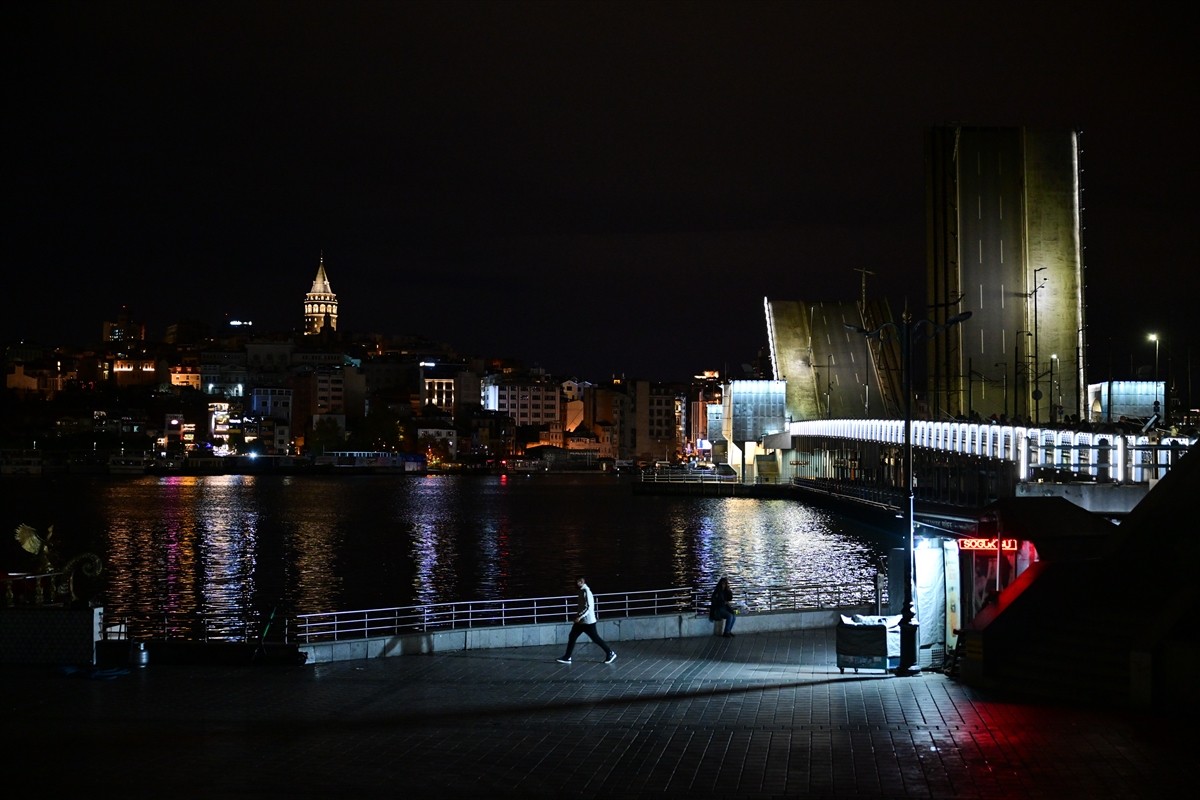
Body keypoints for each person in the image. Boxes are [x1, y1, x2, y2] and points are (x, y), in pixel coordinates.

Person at [557, 576, 617, 664]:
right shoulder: (581, 591)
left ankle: (610, 653)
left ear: (581, 582)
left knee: (595, 638)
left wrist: (579, 617)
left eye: (577, 582)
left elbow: (588, 607)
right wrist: (579, 616)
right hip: (582, 621)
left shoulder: (586, 592)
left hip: (588, 622)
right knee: (572, 636)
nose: (575, 584)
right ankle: (567, 657)